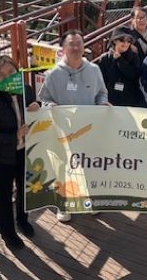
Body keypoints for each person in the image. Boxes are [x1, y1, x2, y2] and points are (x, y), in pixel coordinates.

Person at [38, 29, 109, 223]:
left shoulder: (94, 70)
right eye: (71, 44)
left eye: (79, 43)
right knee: (62, 167)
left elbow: (102, 93)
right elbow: (44, 98)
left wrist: (102, 104)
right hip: (62, 130)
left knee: (90, 164)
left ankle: (91, 199)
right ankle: (63, 204)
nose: (76, 48)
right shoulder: (53, 74)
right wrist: (50, 106)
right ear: (63, 48)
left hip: (88, 129)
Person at [0, 56, 38, 250]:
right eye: (2, 74)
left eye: (11, 72)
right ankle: (7, 232)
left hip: (26, 151)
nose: (7, 77)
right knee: (4, 195)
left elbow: (34, 113)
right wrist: (14, 135)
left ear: (18, 71)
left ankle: (22, 220)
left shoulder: (27, 90)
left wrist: (37, 106)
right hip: (3, 157)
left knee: (24, 189)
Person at [95, 27, 143, 107]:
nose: (126, 43)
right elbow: (101, 81)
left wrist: (120, 60)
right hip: (110, 100)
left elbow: (134, 75)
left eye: (129, 41)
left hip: (130, 100)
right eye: (122, 40)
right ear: (114, 41)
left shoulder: (134, 56)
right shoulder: (105, 58)